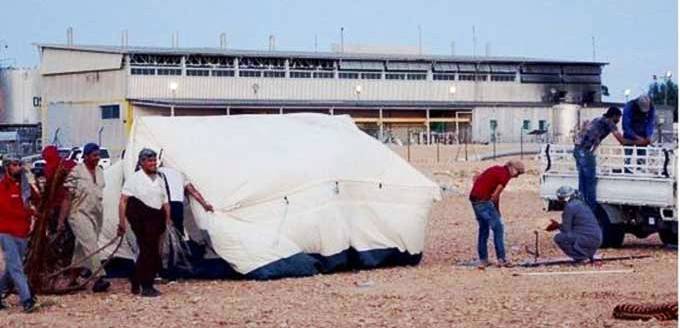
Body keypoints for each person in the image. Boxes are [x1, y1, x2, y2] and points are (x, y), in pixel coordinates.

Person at [118, 149, 171, 297]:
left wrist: (167, 220)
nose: (153, 163)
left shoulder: (159, 180)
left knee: (151, 251)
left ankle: (136, 279)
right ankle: (146, 285)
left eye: (154, 161)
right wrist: (122, 222)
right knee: (148, 250)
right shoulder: (134, 179)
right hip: (141, 217)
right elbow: (124, 201)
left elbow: (165, 201)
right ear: (142, 163)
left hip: (156, 218)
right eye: (150, 161)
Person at [59, 143, 110, 292]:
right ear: (86, 156)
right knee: (91, 243)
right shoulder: (76, 172)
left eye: (98, 155)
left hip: (95, 214)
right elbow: (67, 198)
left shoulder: (100, 171)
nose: (97, 158)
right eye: (94, 155)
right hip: (78, 213)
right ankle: (98, 277)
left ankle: (72, 280)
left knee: (81, 248)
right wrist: (61, 220)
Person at [573, 106, 643, 211]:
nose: (618, 121)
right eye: (618, 118)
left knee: (583, 182)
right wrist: (640, 142)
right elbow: (622, 141)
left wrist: (592, 153)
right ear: (614, 116)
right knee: (590, 183)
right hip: (584, 152)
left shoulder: (598, 120)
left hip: (578, 150)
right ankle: (590, 210)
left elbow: (596, 138)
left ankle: (581, 208)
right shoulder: (609, 122)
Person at [469, 160, 525, 267]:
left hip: (474, 199)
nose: (517, 176)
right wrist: (496, 212)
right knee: (498, 228)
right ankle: (501, 259)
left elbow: (478, 179)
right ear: (512, 168)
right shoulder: (505, 176)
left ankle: (483, 259)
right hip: (484, 201)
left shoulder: (496, 169)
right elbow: (495, 195)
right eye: (518, 173)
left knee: (484, 229)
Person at [0, 156, 37, 312]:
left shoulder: (24, 185)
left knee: (12, 267)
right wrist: (29, 212)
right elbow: (6, 209)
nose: (18, 167)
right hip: (6, 231)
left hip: (22, 232)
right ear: (7, 167)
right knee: (16, 267)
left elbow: (36, 199)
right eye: (14, 165)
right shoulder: (2, 186)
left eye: (19, 164)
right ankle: (27, 299)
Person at [545, 186, 602, 263]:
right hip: (597, 238)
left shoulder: (569, 207)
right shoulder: (580, 203)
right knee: (573, 235)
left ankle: (581, 257)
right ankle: (587, 254)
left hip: (587, 239)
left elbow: (566, 230)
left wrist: (557, 226)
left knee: (559, 238)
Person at [158, 165, 214, 236]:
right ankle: (182, 244)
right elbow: (193, 191)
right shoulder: (179, 173)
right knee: (178, 231)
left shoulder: (156, 172)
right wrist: (205, 204)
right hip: (178, 204)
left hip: (162, 204)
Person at [622, 95, 655, 172]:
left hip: (643, 133)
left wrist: (648, 136)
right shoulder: (629, 107)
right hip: (629, 134)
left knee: (642, 155)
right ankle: (627, 170)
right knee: (627, 153)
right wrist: (636, 137)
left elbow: (650, 122)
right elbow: (626, 126)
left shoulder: (651, 107)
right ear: (637, 104)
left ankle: (640, 169)